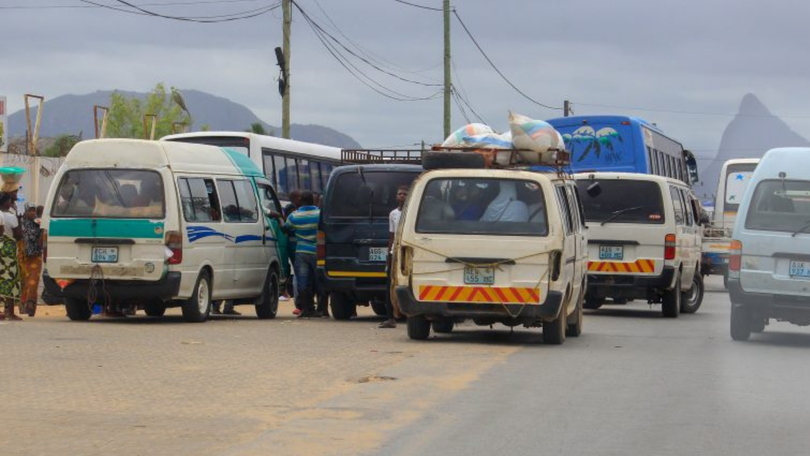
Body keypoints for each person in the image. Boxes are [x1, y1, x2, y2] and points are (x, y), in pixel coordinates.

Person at [280, 191, 320, 318]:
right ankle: (322, 309)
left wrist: (278, 218)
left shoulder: (294, 216)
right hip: (318, 252)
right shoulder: (320, 213)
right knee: (319, 281)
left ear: (301, 201)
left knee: (302, 282)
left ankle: (306, 309)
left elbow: (285, 229)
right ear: (313, 201)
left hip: (301, 252)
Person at [379, 185, 409, 329]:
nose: (402, 195)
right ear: (396, 197)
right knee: (389, 285)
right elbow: (391, 237)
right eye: (399, 193)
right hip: (395, 251)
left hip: (407, 251)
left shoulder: (411, 212)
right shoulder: (393, 214)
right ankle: (390, 317)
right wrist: (388, 257)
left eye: (404, 193)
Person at [0, 192, 22, 321]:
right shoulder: (10, 216)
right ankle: (10, 312)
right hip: (8, 251)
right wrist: (18, 218)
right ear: (6, 202)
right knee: (11, 279)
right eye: (10, 201)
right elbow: (19, 235)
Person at [20, 204, 44, 317]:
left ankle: (29, 306)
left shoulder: (38, 222)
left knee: (33, 280)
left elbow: (42, 239)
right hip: (24, 255)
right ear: (25, 211)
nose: (32, 212)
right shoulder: (23, 222)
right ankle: (24, 306)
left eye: (33, 210)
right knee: (25, 280)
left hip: (35, 256)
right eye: (29, 210)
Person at [282, 189, 301, 307]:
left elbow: (284, 228)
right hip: (300, 251)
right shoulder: (295, 216)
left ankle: (300, 303)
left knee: (298, 276)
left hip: (298, 251)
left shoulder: (294, 218)